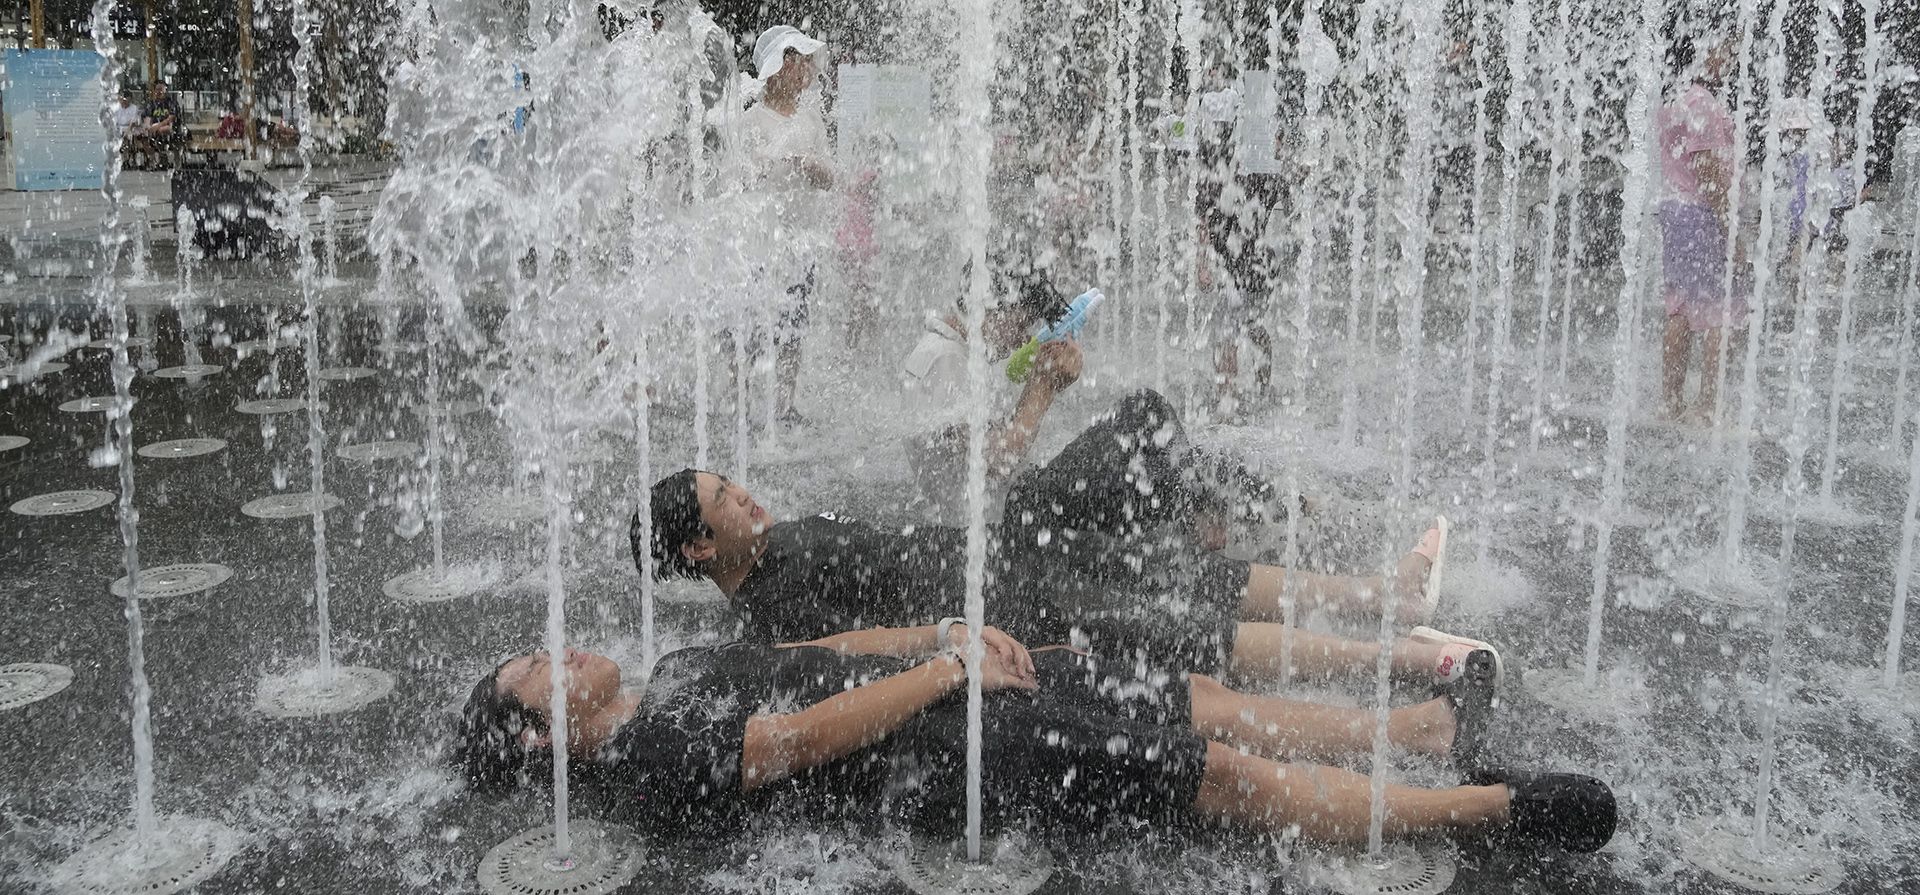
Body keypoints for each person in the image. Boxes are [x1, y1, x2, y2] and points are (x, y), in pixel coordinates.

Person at [452, 632, 1616, 851]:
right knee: (1223, 777)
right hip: (949, 750)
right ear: (543, 737)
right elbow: (792, 741)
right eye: (534, 674)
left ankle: (1417, 726)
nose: (557, 653)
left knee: (1182, 689)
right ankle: (1498, 813)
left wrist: (944, 630)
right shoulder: (640, 753)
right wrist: (947, 672)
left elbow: (814, 650)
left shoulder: (674, 673)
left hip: (945, 688)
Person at [638, 468, 1489, 690]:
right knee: (1180, 625)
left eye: (729, 481)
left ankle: (1388, 597)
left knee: (1184, 571)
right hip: (1006, 604)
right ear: (699, 550)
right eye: (723, 499)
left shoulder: (781, 542)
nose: (742, 494)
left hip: (1004, 559)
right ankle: (1418, 661)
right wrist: (959, 648)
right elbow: (851, 658)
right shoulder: (773, 606)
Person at [899, 266, 1087, 522]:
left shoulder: (943, 349)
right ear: (987, 305)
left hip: (968, 517)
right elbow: (995, 462)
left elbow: (974, 444)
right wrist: (1045, 384)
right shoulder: (946, 359)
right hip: (971, 531)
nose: (1022, 340)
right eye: (1021, 325)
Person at [731, 25, 833, 426]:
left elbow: (830, 176)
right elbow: (737, 181)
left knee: (794, 328)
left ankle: (785, 406)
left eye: (809, 62)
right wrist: (777, 165)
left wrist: (812, 168)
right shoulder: (751, 121)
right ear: (779, 67)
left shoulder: (810, 121)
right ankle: (741, 408)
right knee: (751, 329)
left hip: (800, 241)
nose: (807, 71)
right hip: (759, 245)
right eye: (800, 61)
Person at [1655, 38, 1747, 424]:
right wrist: (1732, 227)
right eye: (1723, 49)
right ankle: (1708, 406)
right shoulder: (1702, 103)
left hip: (1675, 213)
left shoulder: (1671, 101)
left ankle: (1671, 401)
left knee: (1679, 308)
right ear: (1703, 52)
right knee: (1723, 313)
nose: (1729, 57)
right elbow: (1707, 170)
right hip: (1701, 215)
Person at [132, 82, 185, 171]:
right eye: (157, 89)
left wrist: (157, 126)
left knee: (163, 130)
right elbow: (147, 117)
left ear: (165, 90)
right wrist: (148, 127)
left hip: (172, 129)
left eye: (161, 89)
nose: (158, 91)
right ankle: (153, 160)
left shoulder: (171, 102)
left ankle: (173, 161)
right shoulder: (151, 104)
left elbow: (171, 119)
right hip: (156, 129)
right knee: (144, 136)